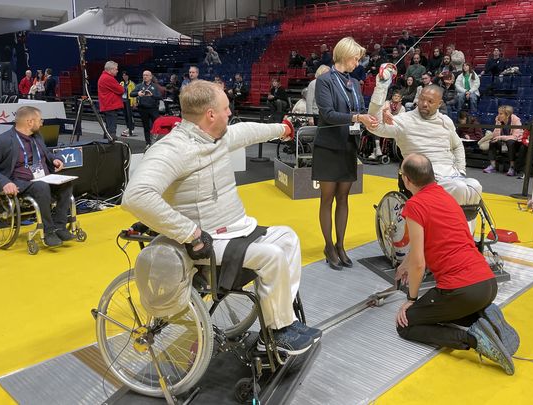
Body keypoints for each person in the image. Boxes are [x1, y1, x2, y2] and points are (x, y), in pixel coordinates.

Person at [121, 80, 321, 355]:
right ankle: (277, 331)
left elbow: (248, 131)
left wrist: (284, 129)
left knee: (288, 237)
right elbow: (136, 196)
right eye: (226, 108)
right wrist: (189, 232)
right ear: (210, 114)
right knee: (271, 255)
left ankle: (281, 320)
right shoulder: (174, 149)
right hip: (205, 240)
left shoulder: (218, 136)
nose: (230, 113)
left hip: (235, 229)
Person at [394, 153, 517, 375]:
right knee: (443, 309)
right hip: (487, 285)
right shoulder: (445, 196)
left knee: (406, 324)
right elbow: (434, 239)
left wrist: (411, 300)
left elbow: (420, 264)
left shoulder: (414, 205)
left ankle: (473, 338)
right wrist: (405, 262)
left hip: (461, 290)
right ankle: (482, 314)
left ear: (407, 180)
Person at [366, 72, 483, 208]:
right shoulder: (405, 120)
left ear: (439, 104)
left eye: (430, 101)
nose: (424, 104)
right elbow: (374, 126)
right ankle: (452, 227)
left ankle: (463, 230)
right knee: (460, 188)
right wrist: (381, 87)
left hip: (451, 174)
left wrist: (461, 170)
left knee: (475, 186)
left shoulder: (446, 121)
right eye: (422, 99)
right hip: (422, 176)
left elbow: (457, 146)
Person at [313, 37, 377, 270]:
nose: (357, 63)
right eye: (355, 58)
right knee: (327, 199)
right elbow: (328, 114)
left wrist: (367, 117)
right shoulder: (324, 81)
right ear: (344, 55)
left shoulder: (354, 83)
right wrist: (356, 117)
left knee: (343, 199)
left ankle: (341, 245)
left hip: (349, 145)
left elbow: (358, 110)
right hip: (328, 147)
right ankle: (328, 246)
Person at [0, 106, 74, 248]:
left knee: (67, 183)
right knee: (41, 186)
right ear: (30, 122)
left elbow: (46, 153)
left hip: (43, 177)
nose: (42, 123)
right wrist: (4, 183)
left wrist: (55, 159)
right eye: (39, 120)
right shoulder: (2, 141)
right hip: (20, 182)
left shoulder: (37, 136)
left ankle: (59, 226)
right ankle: (48, 231)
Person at [483, 105, 523, 176]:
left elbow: (515, 137)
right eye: (498, 113)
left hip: (515, 144)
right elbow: (496, 135)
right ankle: (493, 166)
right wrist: (498, 123)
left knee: (510, 142)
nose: (498, 115)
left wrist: (500, 137)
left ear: (507, 115)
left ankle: (512, 167)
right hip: (503, 143)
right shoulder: (499, 120)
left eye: (501, 114)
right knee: (493, 142)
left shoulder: (516, 120)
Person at [132, 70, 162, 148]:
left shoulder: (155, 86)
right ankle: (148, 143)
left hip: (153, 109)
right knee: (146, 127)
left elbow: (160, 97)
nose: (145, 77)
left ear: (151, 77)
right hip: (143, 109)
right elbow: (131, 94)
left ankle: (155, 141)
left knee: (156, 126)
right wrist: (138, 93)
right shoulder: (139, 86)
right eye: (144, 75)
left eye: (147, 75)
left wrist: (152, 95)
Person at [97, 61, 124, 141]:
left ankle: (107, 143)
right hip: (110, 106)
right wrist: (121, 87)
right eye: (116, 69)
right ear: (111, 70)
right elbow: (121, 90)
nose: (117, 71)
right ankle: (111, 144)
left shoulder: (104, 77)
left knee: (108, 128)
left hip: (107, 105)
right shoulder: (108, 78)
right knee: (111, 129)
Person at [120, 71, 136, 138]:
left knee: (130, 115)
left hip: (129, 101)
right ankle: (128, 127)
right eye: (123, 75)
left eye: (125, 75)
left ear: (128, 76)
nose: (124, 77)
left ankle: (131, 128)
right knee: (125, 115)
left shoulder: (132, 84)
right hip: (123, 101)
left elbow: (135, 94)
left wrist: (134, 102)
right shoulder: (121, 83)